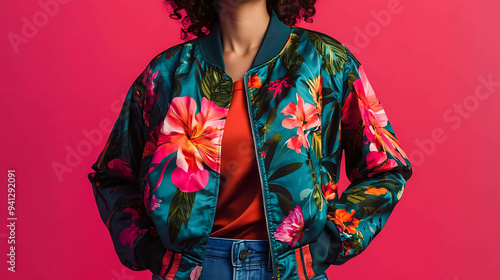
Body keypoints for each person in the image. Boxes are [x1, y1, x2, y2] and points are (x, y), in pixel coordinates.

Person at [87, 0, 414, 279]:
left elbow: (387, 169)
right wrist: (147, 249)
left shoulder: (325, 62)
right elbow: (113, 176)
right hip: (192, 271)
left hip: (290, 269)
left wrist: (330, 241)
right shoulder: (166, 74)